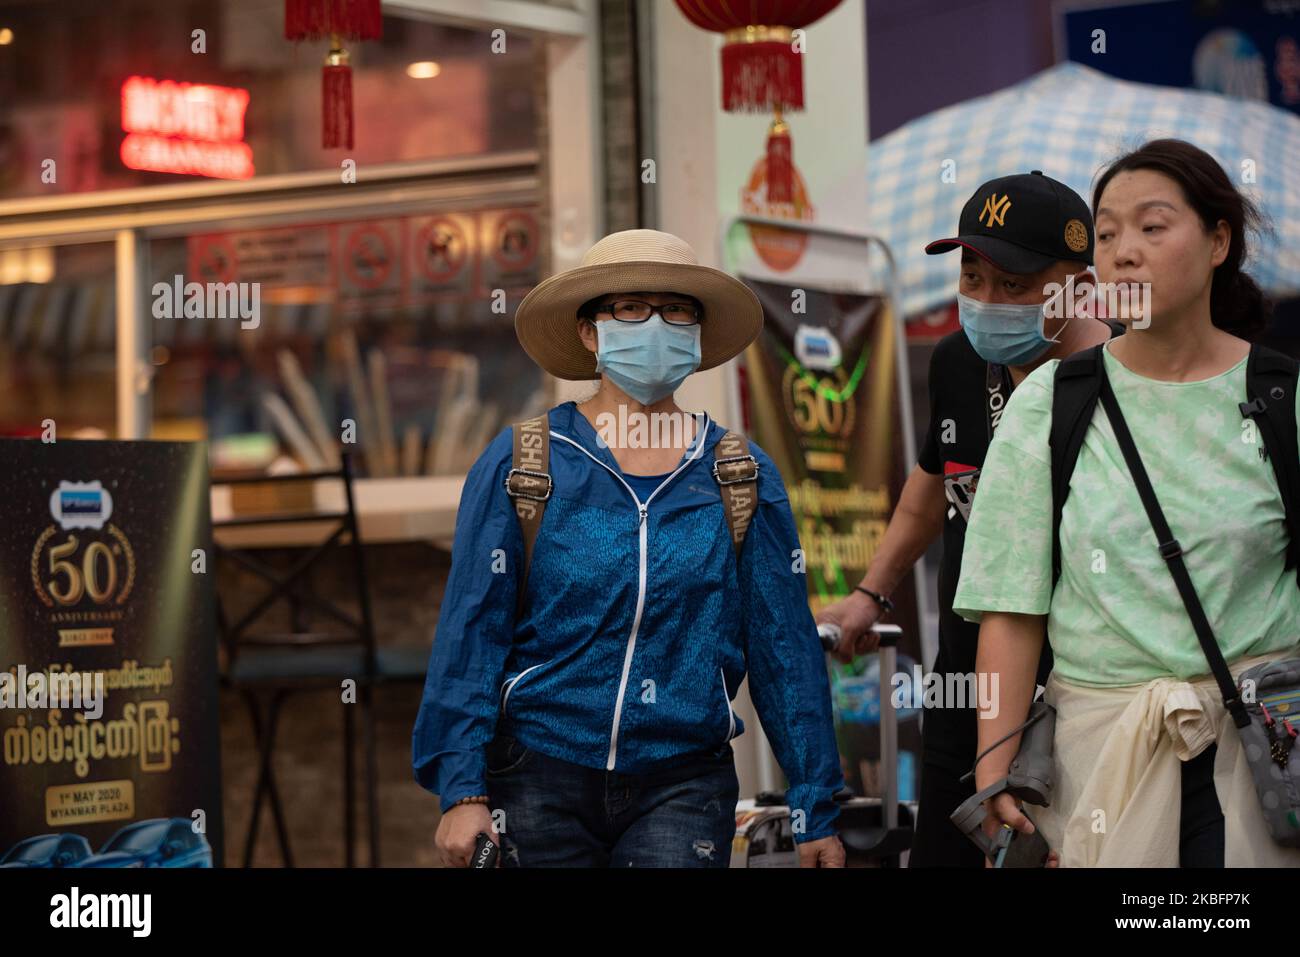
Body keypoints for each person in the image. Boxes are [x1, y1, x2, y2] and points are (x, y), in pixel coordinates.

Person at [412, 228, 846, 868]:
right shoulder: (525, 462)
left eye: (677, 310)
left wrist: (815, 807)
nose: (656, 324)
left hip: (683, 783)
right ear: (589, 332)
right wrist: (463, 789)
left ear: (697, 337)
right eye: (630, 308)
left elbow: (784, 649)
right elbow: (472, 631)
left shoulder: (740, 474)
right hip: (535, 775)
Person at [952, 139, 1300, 866]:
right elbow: (1012, 609)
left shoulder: (1281, 396)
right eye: (1106, 234)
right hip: (1100, 760)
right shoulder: (1049, 403)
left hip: (1268, 752)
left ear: (1217, 241)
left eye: (1151, 226)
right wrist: (994, 770)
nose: (1124, 251)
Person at [815, 171, 1116, 866]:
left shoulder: (1123, 379)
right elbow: (929, 489)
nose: (985, 302)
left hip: (1083, 697)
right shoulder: (958, 362)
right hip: (963, 686)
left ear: (1077, 284)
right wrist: (869, 594)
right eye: (973, 276)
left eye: (1014, 285)